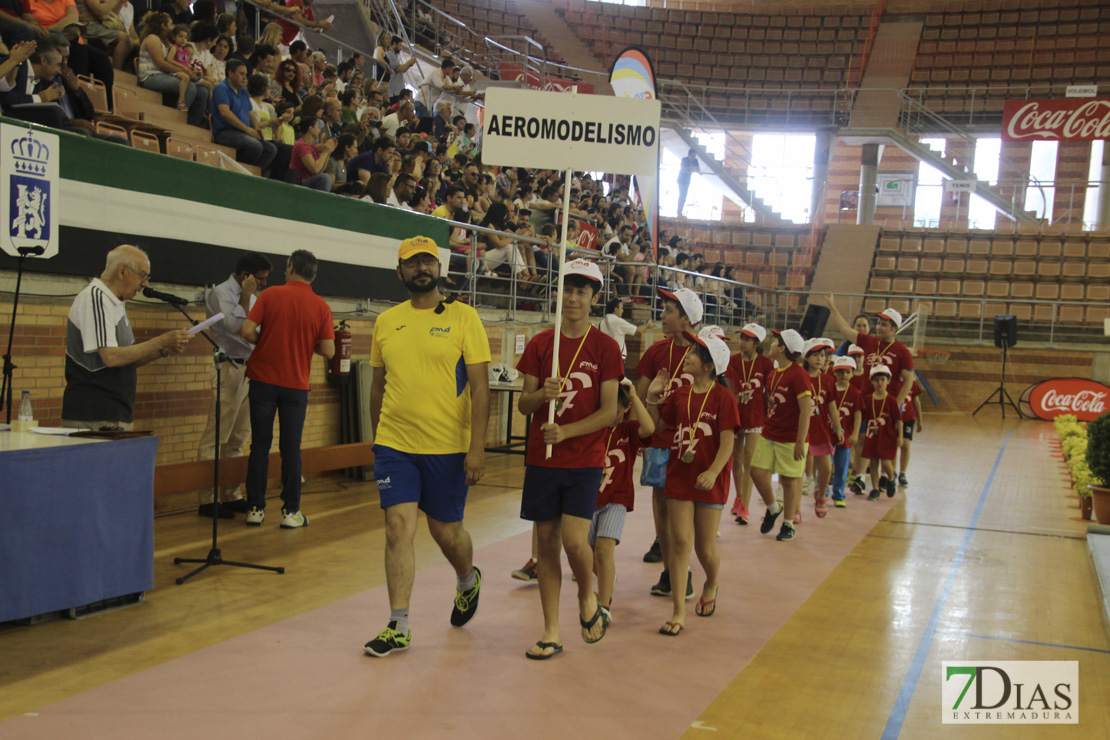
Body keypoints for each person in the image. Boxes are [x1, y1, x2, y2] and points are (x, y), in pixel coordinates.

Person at [363, 236, 491, 658]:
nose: (422, 268)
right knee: (398, 528)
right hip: (394, 445)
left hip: (448, 448)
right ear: (399, 272)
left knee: (445, 532)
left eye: (428, 262)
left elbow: (479, 386)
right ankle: (398, 624)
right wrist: (377, 440)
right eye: (412, 262)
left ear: (439, 269)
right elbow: (378, 386)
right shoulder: (386, 322)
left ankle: (467, 579)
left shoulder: (463, 318)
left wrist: (477, 448)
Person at [516, 259, 622, 660]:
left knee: (576, 542)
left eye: (582, 291)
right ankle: (551, 630)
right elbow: (524, 406)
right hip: (542, 460)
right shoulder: (542, 344)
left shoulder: (606, 348)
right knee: (546, 545)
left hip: (584, 459)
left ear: (594, 299)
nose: (573, 298)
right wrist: (542, 395)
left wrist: (568, 432)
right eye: (568, 290)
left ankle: (587, 596)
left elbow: (610, 411)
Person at [645, 325, 737, 636]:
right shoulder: (680, 394)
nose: (689, 355)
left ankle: (711, 580)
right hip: (679, 477)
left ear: (710, 365)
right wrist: (651, 399)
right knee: (680, 541)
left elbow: (727, 442)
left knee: (704, 547)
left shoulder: (724, 398)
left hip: (710, 481)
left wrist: (713, 472)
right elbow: (656, 427)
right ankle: (678, 611)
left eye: (695, 353)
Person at [238, 250, 334, 528]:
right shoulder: (321, 307)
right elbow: (328, 350)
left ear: (290, 267)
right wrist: (307, 344)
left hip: (263, 381)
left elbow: (246, 331)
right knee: (291, 449)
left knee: (259, 446)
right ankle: (291, 512)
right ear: (313, 275)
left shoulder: (269, 296)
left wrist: (265, 339)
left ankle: (255, 508)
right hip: (296, 386)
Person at [62, 245, 192, 430]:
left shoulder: (116, 302)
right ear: (122, 271)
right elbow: (111, 357)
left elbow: (127, 360)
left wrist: (163, 350)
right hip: (95, 415)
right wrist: (160, 341)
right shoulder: (96, 298)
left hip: (115, 414)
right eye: (142, 275)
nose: (145, 284)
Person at [636, 287, 703, 600]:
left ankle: (685, 569)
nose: (661, 316)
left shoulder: (705, 354)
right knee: (661, 505)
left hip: (691, 444)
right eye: (662, 309)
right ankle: (670, 571)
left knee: (684, 511)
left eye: (668, 311)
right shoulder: (655, 352)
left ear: (687, 319)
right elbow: (639, 393)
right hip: (660, 441)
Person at [194, 252, 271, 519]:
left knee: (238, 438)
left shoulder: (255, 297)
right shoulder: (221, 293)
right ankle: (207, 499)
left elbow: (259, 326)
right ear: (245, 275)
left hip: (251, 368)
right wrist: (247, 297)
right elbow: (238, 326)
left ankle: (230, 494)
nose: (262, 284)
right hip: (228, 368)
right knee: (217, 436)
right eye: (259, 279)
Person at [591, 379, 654, 622]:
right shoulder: (592, 427)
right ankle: (607, 579)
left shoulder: (627, 431)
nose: (610, 415)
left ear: (625, 409)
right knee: (587, 554)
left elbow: (648, 429)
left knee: (604, 550)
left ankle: (603, 606)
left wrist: (635, 398)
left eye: (616, 410)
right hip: (588, 500)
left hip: (616, 499)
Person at [749, 329, 812, 542]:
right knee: (757, 471)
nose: (772, 345)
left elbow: (806, 409)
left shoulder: (799, 374)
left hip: (791, 437)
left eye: (776, 342)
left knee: (790, 479)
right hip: (770, 432)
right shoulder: (774, 373)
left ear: (783, 348)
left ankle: (788, 524)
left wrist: (800, 441)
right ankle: (773, 507)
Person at [725, 322, 773, 525]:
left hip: (755, 416)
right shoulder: (732, 361)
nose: (742, 342)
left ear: (757, 343)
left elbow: (770, 390)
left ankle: (744, 504)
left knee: (749, 460)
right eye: (741, 338)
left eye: (747, 339)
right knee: (736, 460)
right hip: (737, 415)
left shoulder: (766, 363)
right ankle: (739, 498)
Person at [137, 11, 208, 126]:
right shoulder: (152, 39)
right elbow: (161, 63)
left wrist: (190, 69)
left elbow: (178, 60)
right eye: (170, 24)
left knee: (202, 91)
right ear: (163, 26)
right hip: (150, 76)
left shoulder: (166, 42)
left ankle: (192, 123)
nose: (172, 27)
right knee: (190, 87)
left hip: (163, 75)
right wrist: (183, 71)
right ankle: (177, 121)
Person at [801, 338, 842, 520]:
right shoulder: (799, 377)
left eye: (823, 355)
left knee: (826, 468)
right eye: (816, 355)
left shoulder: (827, 380)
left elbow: (832, 406)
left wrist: (838, 428)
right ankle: (794, 510)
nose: (820, 359)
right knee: (796, 471)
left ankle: (821, 495)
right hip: (802, 430)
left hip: (821, 429)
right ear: (807, 357)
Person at [211, 58, 276, 170]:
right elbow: (225, 113)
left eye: (245, 74)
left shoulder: (243, 91)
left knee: (271, 149)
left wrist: (256, 128)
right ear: (231, 73)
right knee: (256, 146)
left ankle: (252, 173)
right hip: (225, 132)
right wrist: (247, 129)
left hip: (242, 132)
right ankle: (240, 171)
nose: (245, 78)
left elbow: (250, 112)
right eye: (241, 74)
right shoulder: (221, 88)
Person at [861, 365, 903, 500]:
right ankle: (875, 489)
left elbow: (899, 420)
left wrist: (900, 436)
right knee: (873, 463)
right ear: (872, 381)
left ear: (888, 381)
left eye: (883, 380)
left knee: (886, 463)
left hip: (887, 436)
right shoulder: (868, 399)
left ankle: (891, 478)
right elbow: (862, 416)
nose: (880, 383)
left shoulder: (891, 400)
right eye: (876, 380)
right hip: (872, 435)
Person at [829, 356, 862, 508]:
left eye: (847, 372)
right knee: (825, 465)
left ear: (852, 373)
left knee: (842, 466)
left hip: (846, 436)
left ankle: (839, 495)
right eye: (840, 372)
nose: (843, 375)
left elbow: (857, 414)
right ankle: (822, 491)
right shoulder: (829, 389)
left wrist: (855, 433)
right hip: (827, 434)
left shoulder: (855, 393)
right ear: (834, 373)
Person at [289, 115, 334, 191]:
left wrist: (328, 152)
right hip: (298, 182)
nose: (320, 131)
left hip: (308, 180)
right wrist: (325, 152)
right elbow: (315, 169)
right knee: (325, 178)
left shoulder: (312, 146)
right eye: (318, 128)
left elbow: (320, 171)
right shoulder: (301, 145)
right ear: (311, 129)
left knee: (325, 176)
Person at [897, 378, 923, 487]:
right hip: (894, 418)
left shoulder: (912, 383)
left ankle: (902, 473)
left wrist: (920, 420)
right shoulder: (892, 382)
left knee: (906, 445)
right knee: (893, 445)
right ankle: (890, 473)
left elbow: (916, 401)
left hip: (908, 419)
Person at [677, 149, 698, 217]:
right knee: (682, 194)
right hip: (681, 179)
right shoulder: (684, 159)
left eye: (695, 156)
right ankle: (679, 211)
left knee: (684, 195)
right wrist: (690, 168)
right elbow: (682, 168)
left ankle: (680, 210)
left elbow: (698, 169)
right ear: (689, 155)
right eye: (693, 155)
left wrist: (693, 168)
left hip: (687, 180)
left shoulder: (695, 161)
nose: (694, 157)